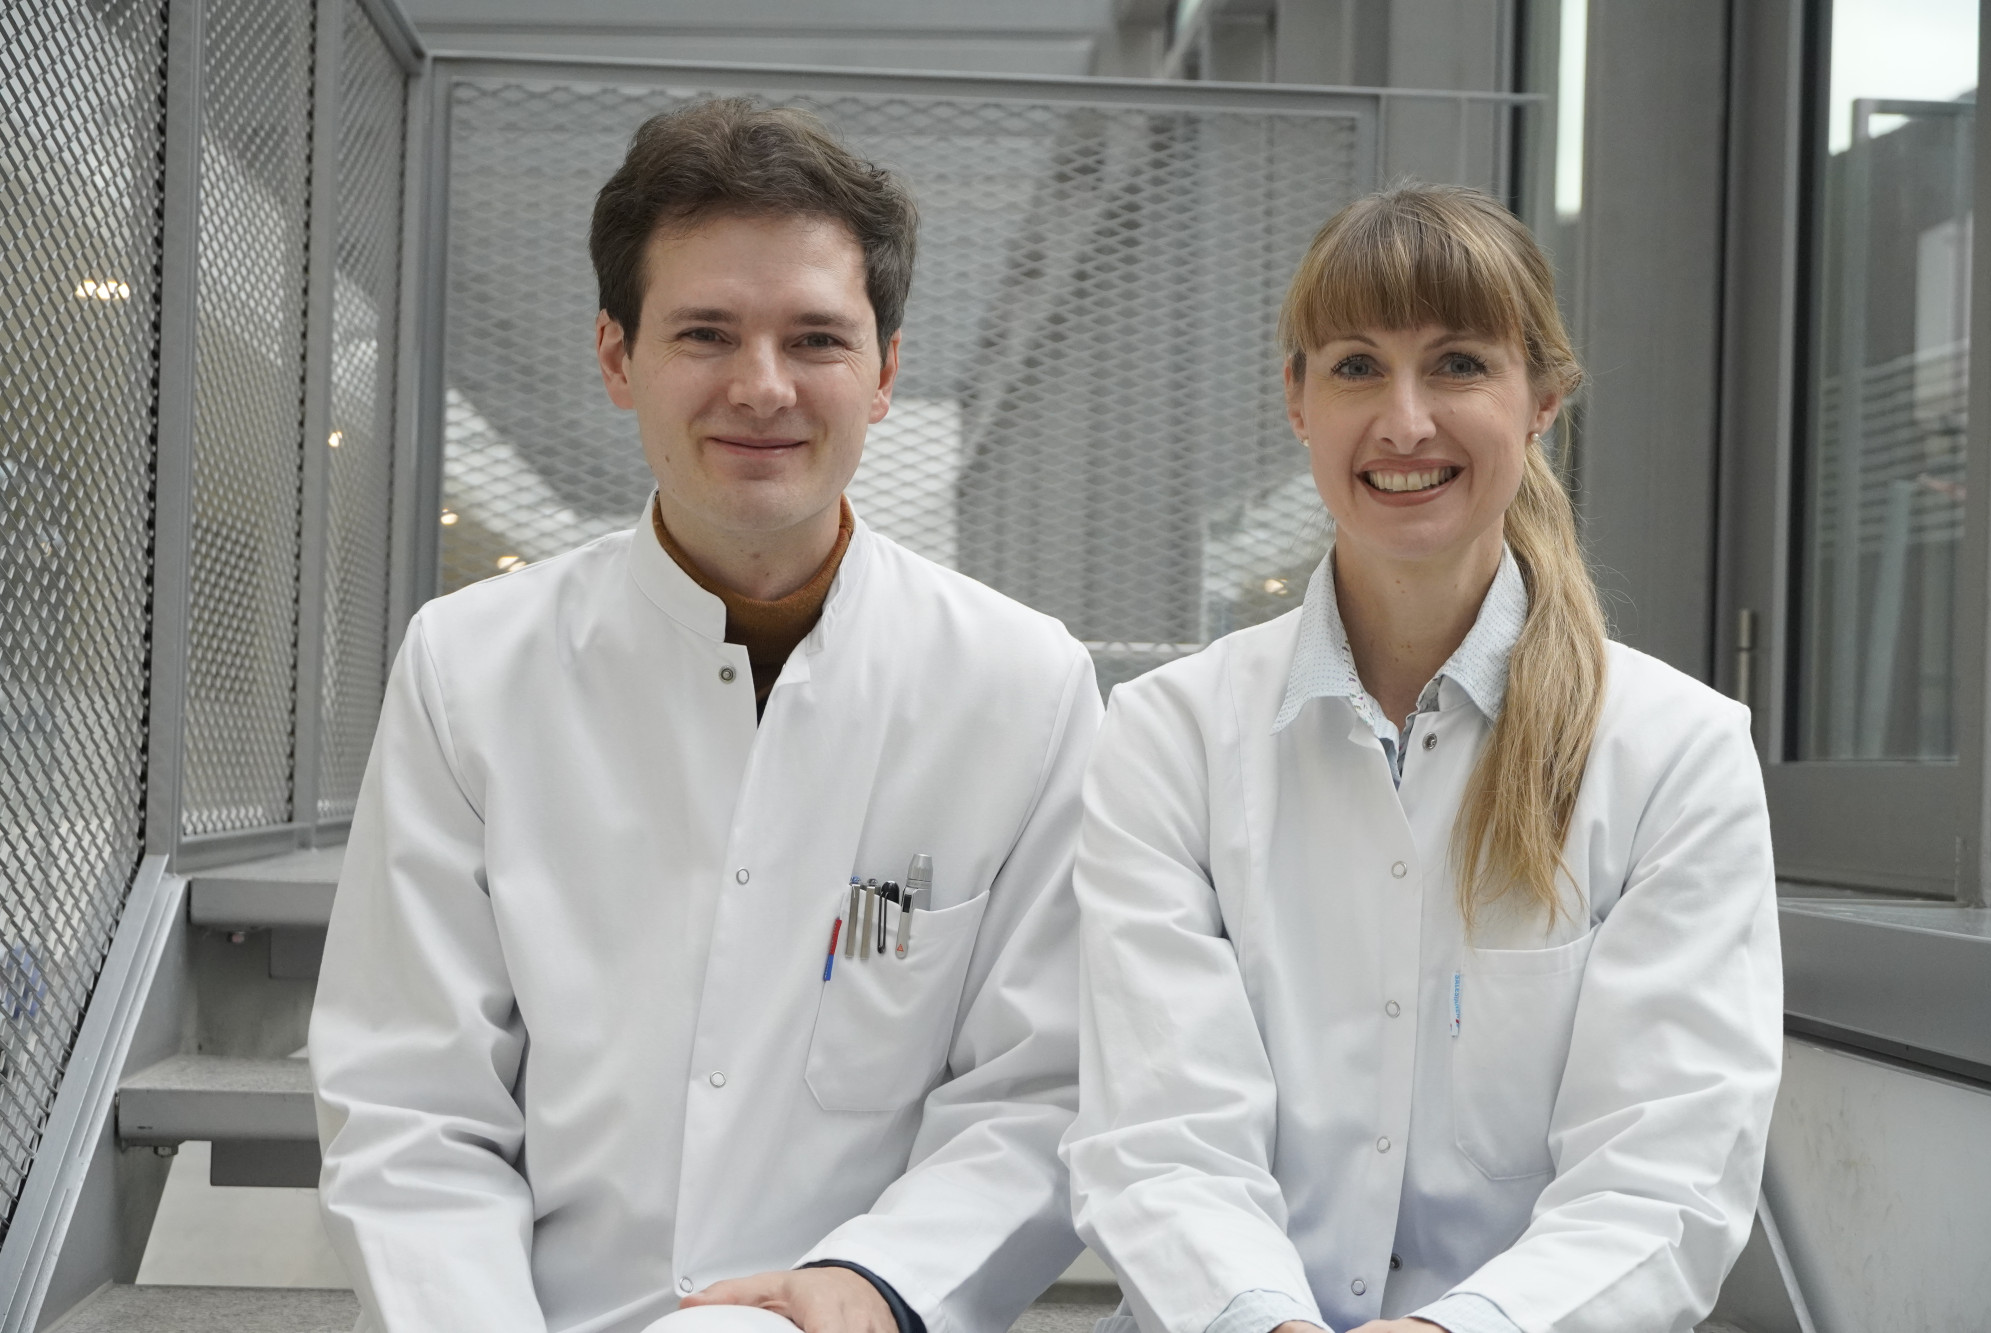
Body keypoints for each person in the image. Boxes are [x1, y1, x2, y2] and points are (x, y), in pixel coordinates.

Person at [310, 100, 1100, 1333]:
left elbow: (1040, 1086)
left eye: (816, 338)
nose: (761, 386)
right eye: (705, 333)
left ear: (884, 373)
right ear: (618, 358)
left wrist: (874, 1284)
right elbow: (412, 1100)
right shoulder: (469, 668)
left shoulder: (1021, 685)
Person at [1061, 184, 1782, 1333]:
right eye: (1355, 366)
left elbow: (1662, 1179)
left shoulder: (1674, 755)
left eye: (1456, 365)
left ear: (1540, 400)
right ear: (1295, 400)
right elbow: (1160, 1140)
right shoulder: (1168, 737)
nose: (1403, 422)